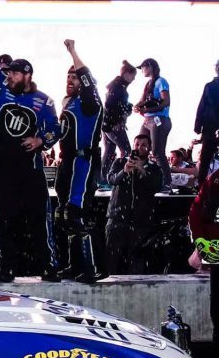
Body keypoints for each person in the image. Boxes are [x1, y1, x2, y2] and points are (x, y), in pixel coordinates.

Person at [0, 9, 61, 281]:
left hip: (32, 170)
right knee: (3, 220)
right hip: (2, 169)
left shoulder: (44, 101)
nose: (9, 77)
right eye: (8, 73)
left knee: (40, 219)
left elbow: (56, 130)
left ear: (26, 75)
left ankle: (48, 265)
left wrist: (41, 141)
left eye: (14, 74)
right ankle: (6, 266)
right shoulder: (1, 92)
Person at [55, 40, 106, 282]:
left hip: (83, 163)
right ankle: (74, 265)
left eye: (74, 76)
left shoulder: (90, 101)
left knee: (78, 213)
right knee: (65, 215)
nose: (71, 79)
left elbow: (86, 78)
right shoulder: (69, 102)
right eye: (68, 76)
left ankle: (94, 267)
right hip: (67, 163)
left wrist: (73, 51)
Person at [104, 134, 163, 274]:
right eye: (137, 144)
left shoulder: (155, 168)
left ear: (149, 148)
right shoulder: (119, 162)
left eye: (143, 145)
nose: (139, 147)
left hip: (141, 222)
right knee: (111, 259)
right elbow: (111, 179)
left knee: (137, 262)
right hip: (117, 218)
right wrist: (124, 171)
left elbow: (157, 186)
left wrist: (143, 170)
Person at [188, 167, 219, 358]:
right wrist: (204, 247)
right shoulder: (214, 180)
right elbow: (195, 213)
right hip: (217, 258)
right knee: (217, 313)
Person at [133, 58, 172, 190]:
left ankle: (166, 182)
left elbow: (166, 102)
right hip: (147, 120)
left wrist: (147, 110)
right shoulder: (148, 84)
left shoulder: (161, 81)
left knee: (157, 151)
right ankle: (140, 176)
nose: (142, 70)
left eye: (143, 67)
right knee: (138, 147)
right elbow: (142, 100)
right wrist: (136, 106)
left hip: (159, 120)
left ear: (150, 66)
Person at [101, 61, 136, 184]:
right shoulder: (118, 87)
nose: (134, 79)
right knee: (126, 150)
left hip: (107, 125)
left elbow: (111, 105)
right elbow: (109, 104)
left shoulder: (116, 86)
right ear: (127, 74)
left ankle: (104, 180)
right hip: (113, 125)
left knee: (109, 151)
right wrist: (118, 119)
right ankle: (120, 176)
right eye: (133, 76)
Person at [194, 59, 219, 184]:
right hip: (210, 127)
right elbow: (202, 106)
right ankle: (201, 187)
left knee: (205, 159)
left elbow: (202, 107)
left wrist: (198, 127)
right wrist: (198, 127)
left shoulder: (210, 86)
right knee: (205, 159)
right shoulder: (209, 86)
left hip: (210, 127)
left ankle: (201, 186)